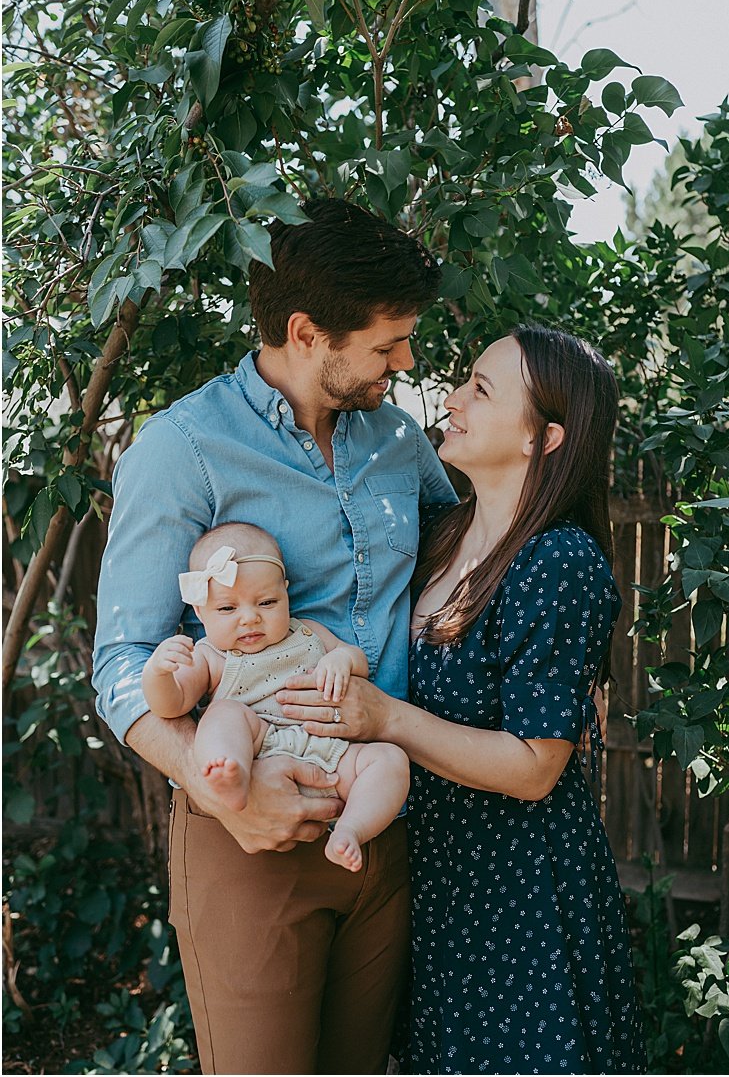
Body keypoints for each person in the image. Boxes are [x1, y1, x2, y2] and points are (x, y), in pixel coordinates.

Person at [92, 197, 456, 1074]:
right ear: (306, 331)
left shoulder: (399, 441)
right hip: (248, 838)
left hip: (380, 820)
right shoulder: (182, 449)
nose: (405, 362)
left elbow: (467, 555)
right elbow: (118, 666)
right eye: (386, 343)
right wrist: (225, 792)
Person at [279, 326, 645, 1074]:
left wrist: (385, 719)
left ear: (544, 438)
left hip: (522, 894)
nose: (451, 400)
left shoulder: (558, 562)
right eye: (464, 382)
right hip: (440, 881)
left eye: (482, 390)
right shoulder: (443, 537)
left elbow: (537, 765)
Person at [144, 522, 410, 872]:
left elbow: (356, 658)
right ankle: (231, 776)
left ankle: (349, 830)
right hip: (262, 757)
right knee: (223, 713)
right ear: (200, 612)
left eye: (267, 602)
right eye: (227, 609)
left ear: (285, 593)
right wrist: (158, 673)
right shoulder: (209, 657)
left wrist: (340, 659)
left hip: (332, 757)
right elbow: (171, 704)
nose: (250, 618)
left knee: (390, 760)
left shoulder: (308, 632)